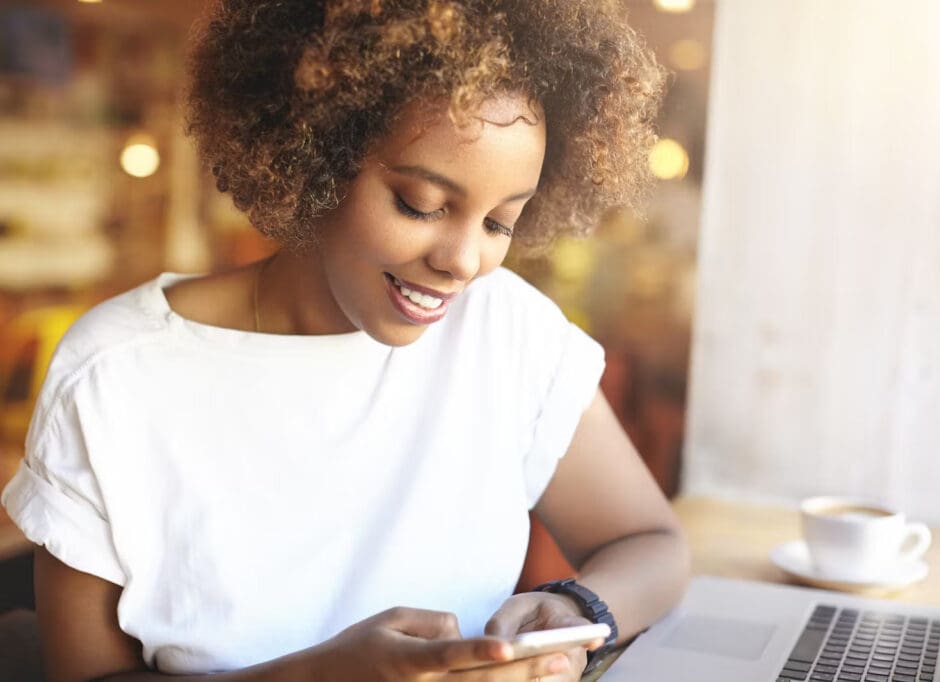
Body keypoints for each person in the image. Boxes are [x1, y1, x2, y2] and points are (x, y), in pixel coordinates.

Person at [1, 1, 691, 680]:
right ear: (314, 158)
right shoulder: (115, 375)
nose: (462, 261)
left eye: (500, 222)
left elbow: (651, 545)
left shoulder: (506, 332)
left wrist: (573, 609)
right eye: (421, 205)